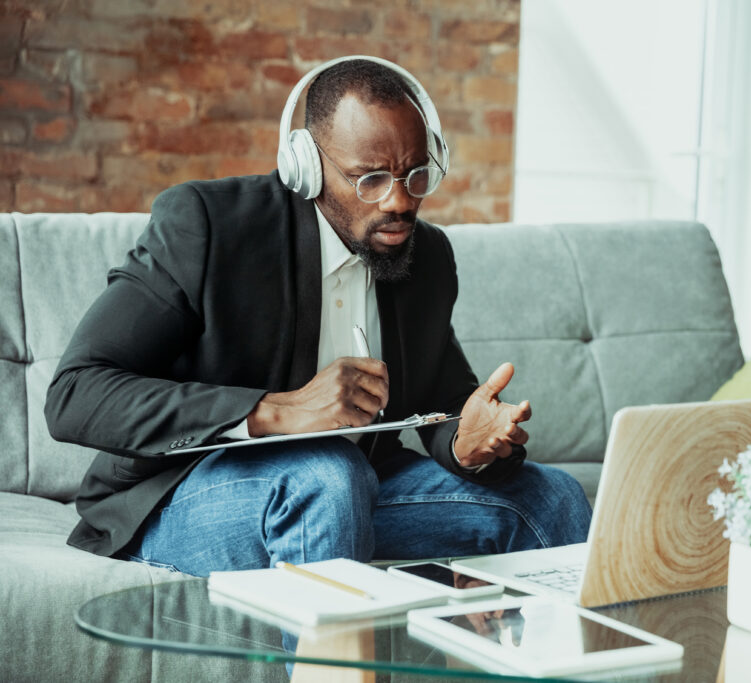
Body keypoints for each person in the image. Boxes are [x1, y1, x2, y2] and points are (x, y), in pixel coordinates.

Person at [44, 56, 592, 576]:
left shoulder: (425, 256)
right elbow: (76, 392)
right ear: (304, 165)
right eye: (370, 178)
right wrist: (275, 412)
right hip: (180, 496)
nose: (400, 201)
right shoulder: (209, 227)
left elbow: (444, 401)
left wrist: (465, 443)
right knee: (329, 477)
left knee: (552, 497)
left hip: (349, 491)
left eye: (416, 175)